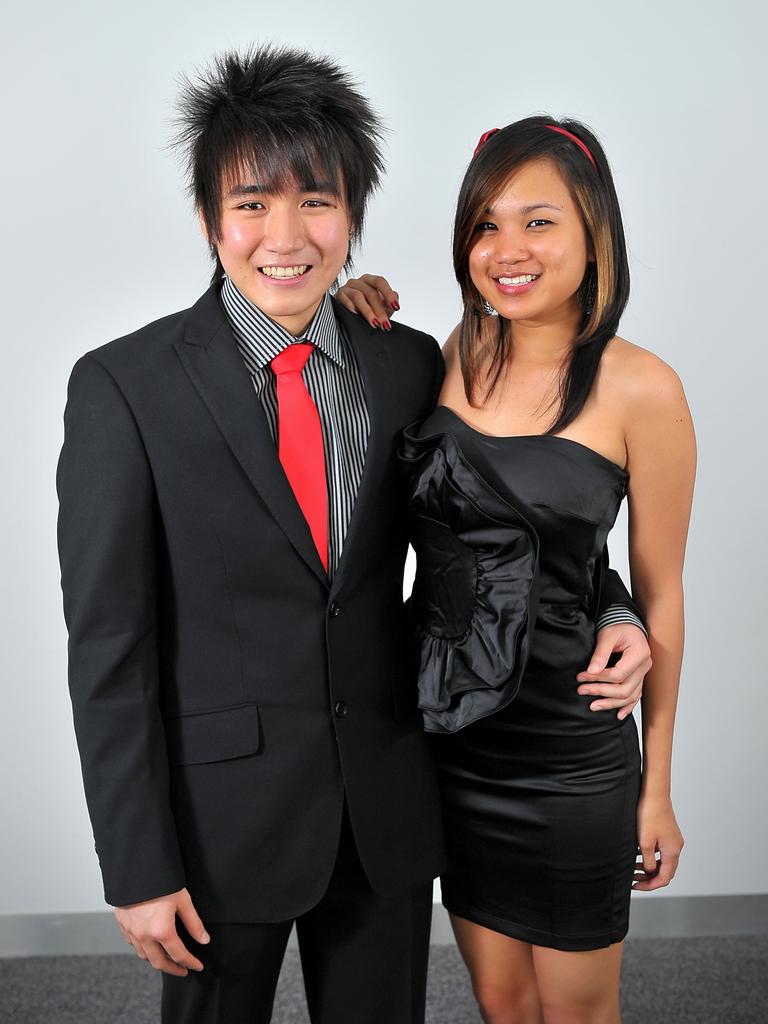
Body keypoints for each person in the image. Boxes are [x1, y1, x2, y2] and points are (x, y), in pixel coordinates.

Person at [56, 43, 650, 1024]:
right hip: (218, 826)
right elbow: (110, 648)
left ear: (353, 217)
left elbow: (491, 527)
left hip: (387, 801)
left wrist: (615, 606)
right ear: (211, 218)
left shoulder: (408, 364)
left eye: (316, 202)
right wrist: (136, 860)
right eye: (251, 203)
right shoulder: (126, 387)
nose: (284, 235)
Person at [337, 117, 694, 1024]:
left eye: (539, 222)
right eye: (486, 224)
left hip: (573, 754)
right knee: (502, 1004)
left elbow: (657, 591)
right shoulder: (444, 357)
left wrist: (657, 788)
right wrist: (352, 299)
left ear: (593, 233)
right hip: (452, 740)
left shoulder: (641, 387)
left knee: (576, 1013)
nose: (507, 250)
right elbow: (481, 533)